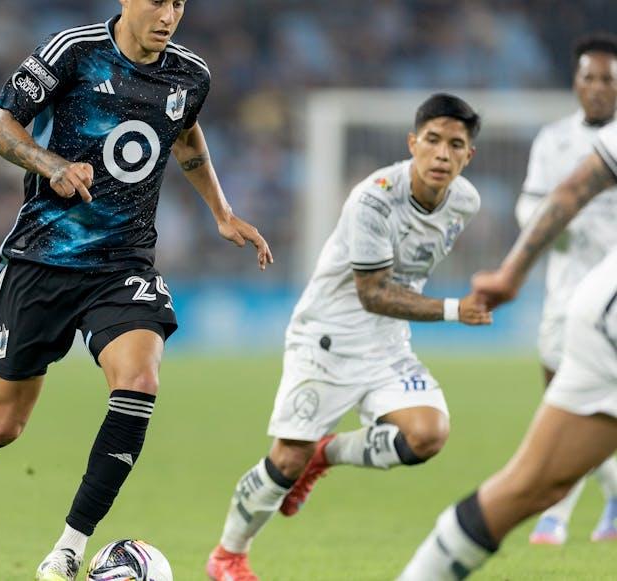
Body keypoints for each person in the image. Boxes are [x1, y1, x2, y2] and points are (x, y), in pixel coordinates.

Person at [0, 1, 273, 580]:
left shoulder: (190, 75)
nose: (169, 14)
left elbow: (185, 134)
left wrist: (221, 214)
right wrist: (51, 165)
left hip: (123, 263)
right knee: (5, 424)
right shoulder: (71, 52)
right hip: (44, 260)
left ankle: (69, 548)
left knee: (140, 382)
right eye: (157, 1)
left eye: (179, 2)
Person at [207, 94, 491, 581]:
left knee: (427, 435)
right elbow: (373, 292)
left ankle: (328, 453)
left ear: (470, 155)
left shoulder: (465, 202)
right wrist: (452, 310)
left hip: (387, 343)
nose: (442, 154)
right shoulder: (375, 196)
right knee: (287, 458)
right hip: (328, 339)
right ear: (412, 143)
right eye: (433, 140)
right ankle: (228, 555)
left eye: (456, 145)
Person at [398, 122, 617, 581]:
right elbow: (575, 186)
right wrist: (511, 274)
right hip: (610, 327)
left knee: (532, 485)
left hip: (598, 308)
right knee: (531, 486)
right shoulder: (559, 139)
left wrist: (512, 273)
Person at [514, 34, 617, 545]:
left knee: (602, 405)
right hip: (564, 291)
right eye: (589, 77)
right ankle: (599, 500)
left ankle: (557, 512)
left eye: (607, 79)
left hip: (613, 294)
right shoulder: (553, 139)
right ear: (576, 83)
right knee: (561, 399)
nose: (597, 88)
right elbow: (527, 205)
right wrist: (551, 222)